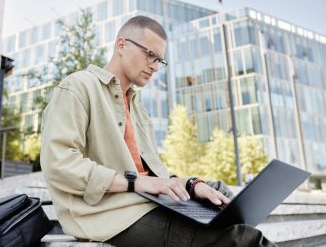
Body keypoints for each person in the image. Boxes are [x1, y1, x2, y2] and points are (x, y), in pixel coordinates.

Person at [40, 15, 277, 247]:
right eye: (150, 55)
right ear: (121, 45)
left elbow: (155, 176)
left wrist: (192, 185)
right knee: (246, 239)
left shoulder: (138, 110)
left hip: (148, 203)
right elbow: (58, 163)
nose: (154, 66)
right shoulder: (78, 87)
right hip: (110, 216)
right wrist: (136, 184)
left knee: (219, 194)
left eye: (159, 60)